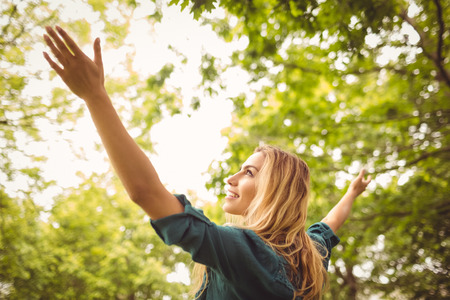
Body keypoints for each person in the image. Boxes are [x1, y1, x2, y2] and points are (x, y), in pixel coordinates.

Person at [43, 26, 372, 300]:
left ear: (277, 190)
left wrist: (95, 96)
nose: (232, 177)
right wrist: (353, 192)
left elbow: (145, 192)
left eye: (249, 172)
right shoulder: (308, 257)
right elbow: (330, 223)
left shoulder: (244, 253)